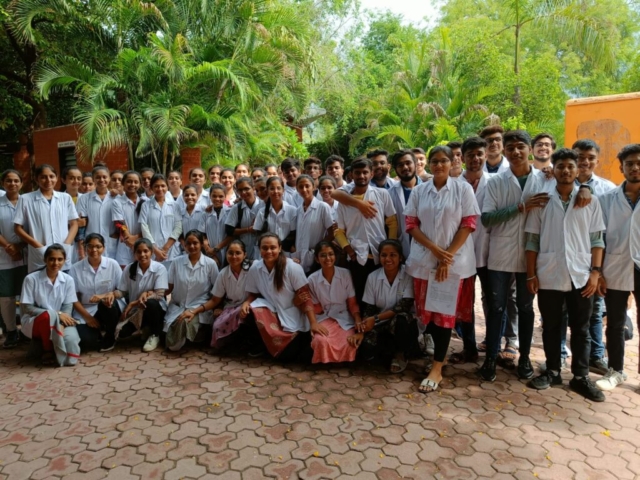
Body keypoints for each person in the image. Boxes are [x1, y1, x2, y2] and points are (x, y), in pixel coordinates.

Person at [478, 130, 559, 382]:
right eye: (510, 148)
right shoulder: (495, 182)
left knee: (525, 308)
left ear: (529, 150)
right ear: (504, 151)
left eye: (520, 147)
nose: (515, 151)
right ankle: (490, 358)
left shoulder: (545, 179)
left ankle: (524, 358)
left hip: (531, 256)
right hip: (500, 255)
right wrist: (520, 207)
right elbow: (487, 219)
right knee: (496, 308)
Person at [525, 148, 605, 402]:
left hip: (581, 275)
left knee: (581, 328)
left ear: (578, 169)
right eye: (561, 166)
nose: (566, 171)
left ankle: (581, 376)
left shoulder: (590, 201)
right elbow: (532, 240)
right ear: (554, 169)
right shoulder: (542, 200)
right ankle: (552, 371)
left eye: (571, 166)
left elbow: (597, 240)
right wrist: (530, 274)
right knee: (551, 326)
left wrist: (596, 273)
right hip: (549, 272)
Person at [404, 146, 480, 392]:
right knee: (429, 316)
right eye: (434, 161)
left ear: (452, 162)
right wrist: (434, 250)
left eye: (443, 160)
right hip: (425, 260)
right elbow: (411, 224)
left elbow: (469, 223)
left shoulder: (463, 189)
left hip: (453, 264)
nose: (438, 165)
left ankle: (436, 368)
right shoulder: (419, 191)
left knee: (444, 315)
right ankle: (440, 356)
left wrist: (447, 257)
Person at [596, 143, 640, 390]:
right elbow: (599, 237)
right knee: (614, 322)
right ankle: (615, 370)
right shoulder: (607, 199)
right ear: (622, 168)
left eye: (639, 163)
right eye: (630, 163)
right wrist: (599, 271)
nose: (635, 167)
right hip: (615, 265)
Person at [573, 138, 616, 376]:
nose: (585, 162)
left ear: (597, 161)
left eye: (590, 158)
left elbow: (608, 230)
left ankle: (596, 356)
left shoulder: (607, 189)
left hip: (595, 260)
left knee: (595, 309)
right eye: (580, 157)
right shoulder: (558, 183)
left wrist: (599, 269)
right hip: (568, 259)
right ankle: (561, 354)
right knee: (564, 310)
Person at [240, 233, 316, 361]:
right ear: (259, 249)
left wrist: (313, 324)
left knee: (288, 356)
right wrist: (246, 302)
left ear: (280, 248)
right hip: (273, 313)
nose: (269, 251)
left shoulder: (292, 267)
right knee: (249, 311)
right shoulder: (255, 268)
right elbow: (253, 293)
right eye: (265, 248)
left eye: (273, 247)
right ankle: (261, 345)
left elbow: (306, 296)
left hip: (293, 314)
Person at [333, 158, 398, 305]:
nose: (361, 176)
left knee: (381, 293)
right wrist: (350, 252)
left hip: (380, 254)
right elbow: (339, 231)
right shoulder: (345, 201)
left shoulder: (382, 194)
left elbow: (392, 222)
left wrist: (391, 246)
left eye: (365, 172)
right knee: (360, 294)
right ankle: (363, 319)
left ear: (371, 174)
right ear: (351, 175)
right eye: (357, 173)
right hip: (357, 256)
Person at [449, 137, 490, 365]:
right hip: (461, 254)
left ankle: (494, 347)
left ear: (486, 155)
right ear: (462, 158)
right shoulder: (453, 184)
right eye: (470, 154)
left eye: (479, 154)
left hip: (488, 252)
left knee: (493, 303)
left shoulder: (495, 181)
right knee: (464, 304)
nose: (475, 158)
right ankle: (469, 347)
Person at [356, 239, 418, 373]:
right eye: (384, 255)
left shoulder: (408, 275)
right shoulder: (373, 277)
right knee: (367, 351)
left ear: (400, 257)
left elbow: (404, 306)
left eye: (393, 255)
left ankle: (400, 354)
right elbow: (369, 308)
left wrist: (375, 319)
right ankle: (389, 351)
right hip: (380, 323)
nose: (388, 259)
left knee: (402, 319)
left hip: (401, 322)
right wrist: (363, 330)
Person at [184, 240, 252, 349]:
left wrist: (247, 303)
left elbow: (257, 293)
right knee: (217, 326)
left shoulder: (252, 269)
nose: (234, 256)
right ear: (226, 254)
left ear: (245, 255)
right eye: (230, 253)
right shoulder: (223, 273)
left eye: (238, 253)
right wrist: (194, 311)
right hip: (232, 307)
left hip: (250, 305)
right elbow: (215, 300)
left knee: (247, 315)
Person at [20, 244, 80, 366]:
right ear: (45, 260)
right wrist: (57, 314)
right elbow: (27, 308)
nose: (56, 263)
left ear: (64, 260)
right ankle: (48, 350)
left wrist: (60, 324)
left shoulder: (68, 280)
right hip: (35, 321)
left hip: (61, 320)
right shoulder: (31, 279)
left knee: (71, 343)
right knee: (47, 316)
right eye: (52, 259)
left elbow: (68, 306)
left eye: (60, 259)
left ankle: (43, 346)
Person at [14, 164, 79, 273]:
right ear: (36, 179)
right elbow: (17, 228)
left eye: (51, 176)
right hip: (40, 254)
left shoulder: (65, 198)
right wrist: (39, 247)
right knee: (39, 282)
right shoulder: (26, 199)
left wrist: (66, 245)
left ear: (57, 178)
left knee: (63, 281)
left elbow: (74, 224)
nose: (48, 180)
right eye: (43, 177)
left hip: (63, 252)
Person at [164, 230, 219, 351]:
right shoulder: (176, 262)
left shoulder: (210, 264)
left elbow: (217, 292)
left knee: (183, 324)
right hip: (178, 306)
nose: (192, 246)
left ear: (201, 244)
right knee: (172, 326)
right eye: (188, 243)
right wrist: (154, 293)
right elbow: (169, 287)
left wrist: (201, 309)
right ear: (184, 245)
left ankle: (197, 335)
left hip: (199, 308)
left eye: (195, 243)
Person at [306, 242, 361, 363]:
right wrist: (313, 323)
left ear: (335, 256)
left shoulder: (345, 274)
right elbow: (315, 307)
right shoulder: (312, 279)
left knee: (349, 342)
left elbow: (352, 303)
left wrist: (357, 320)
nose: (327, 258)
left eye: (331, 254)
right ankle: (325, 361)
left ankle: (342, 362)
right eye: (323, 255)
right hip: (324, 317)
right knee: (320, 341)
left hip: (345, 317)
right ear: (317, 259)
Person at [69, 233, 124, 352]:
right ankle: (99, 332)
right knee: (86, 339)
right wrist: (88, 317)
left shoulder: (113, 264)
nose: (94, 250)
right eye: (90, 246)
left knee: (107, 304)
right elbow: (73, 298)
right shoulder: (75, 268)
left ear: (103, 248)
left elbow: (122, 290)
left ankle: (110, 335)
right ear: (85, 247)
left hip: (109, 307)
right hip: (86, 309)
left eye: (98, 246)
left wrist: (105, 295)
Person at [115, 238, 168, 352]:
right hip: (136, 311)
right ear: (134, 253)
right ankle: (146, 327)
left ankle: (155, 334)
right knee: (122, 333)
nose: (142, 255)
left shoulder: (159, 268)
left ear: (151, 252)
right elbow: (122, 292)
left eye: (145, 251)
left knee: (151, 303)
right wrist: (109, 295)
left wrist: (133, 303)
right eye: (138, 252)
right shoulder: (129, 268)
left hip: (156, 310)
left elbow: (159, 295)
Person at [0, 170, 27, 348]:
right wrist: (9, 248)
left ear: (21, 183)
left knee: (26, 294)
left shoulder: (27, 201)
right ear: (3, 183)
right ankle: (11, 331)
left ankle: (26, 330)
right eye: (8, 181)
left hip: (26, 254)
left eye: (16, 180)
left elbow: (33, 227)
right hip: (3, 256)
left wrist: (20, 246)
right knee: (6, 296)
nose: (12, 184)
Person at [139, 174, 182, 269]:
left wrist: (165, 248)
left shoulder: (174, 205)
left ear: (167, 187)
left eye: (163, 186)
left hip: (172, 251)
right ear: (151, 188)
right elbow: (144, 228)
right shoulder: (145, 206)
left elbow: (178, 227)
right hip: (153, 251)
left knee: (171, 276)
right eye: (156, 186)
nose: (160, 189)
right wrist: (155, 250)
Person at [293, 175, 333, 273]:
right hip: (299, 258)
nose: (304, 189)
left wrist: (319, 249)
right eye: (301, 187)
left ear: (314, 187)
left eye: (307, 186)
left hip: (315, 257)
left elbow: (331, 232)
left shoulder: (322, 207)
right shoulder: (298, 210)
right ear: (297, 189)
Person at [76, 165, 118, 258]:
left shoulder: (116, 198)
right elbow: (81, 225)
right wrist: (81, 250)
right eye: (98, 177)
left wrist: (115, 234)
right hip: (90, 244)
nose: (101, 180)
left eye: (104, 177)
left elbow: (121, 221)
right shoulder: (84, 198)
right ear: (93, 179)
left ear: (109, 178)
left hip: (111, 242)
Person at [388, 149, 422, 258]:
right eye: (400, 165)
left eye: (408, 163)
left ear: (415, 164)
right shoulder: (390, 194)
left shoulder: (429, 189)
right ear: (395, 169)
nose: (405, 167)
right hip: (404, 248)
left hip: (428, 245)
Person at [253, 176, 297, 253]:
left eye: (278, 188)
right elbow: (258, 232)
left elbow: (293, 233)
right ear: (267, 191)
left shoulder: (292, 211)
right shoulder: (261, 212)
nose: (275, 191)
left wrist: (279, 246)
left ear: (283, 190)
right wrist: (270, 246)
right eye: (272, 188)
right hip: (268, 251)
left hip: (286, 251)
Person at [225, 177, 262, 260]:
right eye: (240, 190)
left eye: (246, 189)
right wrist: (248, 229)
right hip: (243, 250)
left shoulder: (263, 205)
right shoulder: (237, 208)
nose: (243, 192)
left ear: (253, 188)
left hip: (261, 250)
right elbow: (229, 230)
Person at [112, 171, 144, 268]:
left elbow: (148, 224)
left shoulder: (145, 202)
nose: (132, 184)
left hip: (142, 242)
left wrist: (137, 237)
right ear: (123, 183)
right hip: (125, 244)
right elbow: (119, 223)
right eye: (129, 181)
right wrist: (128, 237)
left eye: (136, 182)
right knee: (125, 272)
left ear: (140, 184)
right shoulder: (117, 202)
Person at [202, 183, 231, 265]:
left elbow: (231, 235)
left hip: (226, 250)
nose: (217, 199)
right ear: (210, 196)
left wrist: (216, 248)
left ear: (225, 197)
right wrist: (207, 248)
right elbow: (202, 233)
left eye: (221, 196)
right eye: (214, 196)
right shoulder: (205, 214)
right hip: (210, 253)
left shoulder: (230, 212)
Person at [61, 167, 85, 262]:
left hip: (82, 242)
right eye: (71, 178)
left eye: (79, 178)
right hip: (64, 239)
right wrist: (76, 223)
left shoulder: (85, 198)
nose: (76, 181)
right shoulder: (59, 199)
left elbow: (85, 222)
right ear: (63, 180)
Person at [179, 185, 206, 250]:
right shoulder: (180, 213)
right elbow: (180, 234)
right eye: (186, 195)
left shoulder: (204, 210)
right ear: (183, 197)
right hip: (186, 247)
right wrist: (184, 245)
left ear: (197, 196)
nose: (190, 197)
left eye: (193, 195)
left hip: (201, 247)